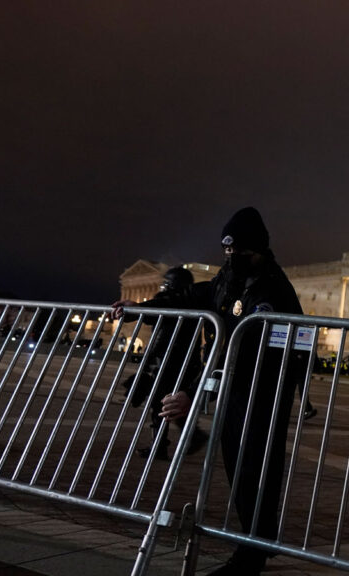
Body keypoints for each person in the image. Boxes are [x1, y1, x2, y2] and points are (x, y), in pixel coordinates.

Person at [113, 207, 305, 575]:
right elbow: (191, 297)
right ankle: (256, 543)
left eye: (239, 252)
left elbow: (247, 351)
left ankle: (252, 553)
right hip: (236, 390)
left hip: (262, 390)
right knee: (241, 469)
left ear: (258, 249)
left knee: (255, 468)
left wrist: (199, 392)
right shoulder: (231, 279)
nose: (232, 259)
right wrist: (140, 309)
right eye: (227, 252)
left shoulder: (270, 290)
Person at [119, 266, 207, 461]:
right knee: (166, 403)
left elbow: (160, 321)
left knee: (161, 403)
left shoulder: (180, 303)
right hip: (173, 361)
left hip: (172, 362)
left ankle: (166, 444)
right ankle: (185, 437)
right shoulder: (184, 302)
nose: (163, 287)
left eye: (167, 283)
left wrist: (140, 309)